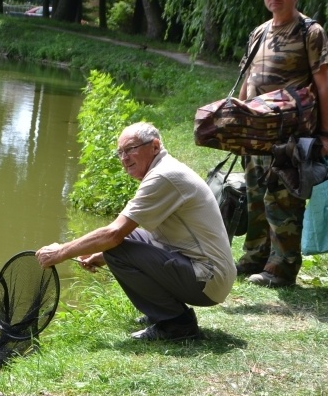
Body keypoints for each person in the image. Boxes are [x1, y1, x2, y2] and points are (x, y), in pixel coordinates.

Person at [36, 122, 236, 341]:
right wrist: (100, 256)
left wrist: (61, 252)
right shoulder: (162, 169)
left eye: (131, 149)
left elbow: (113, 234)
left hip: (208, 279)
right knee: (121, 241)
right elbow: (124, 232)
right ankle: (162, 312)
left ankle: (177, 324)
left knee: (116, 247)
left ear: (155, 146)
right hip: (207, 270)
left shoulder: (163, 176)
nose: (124, 158)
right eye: (120, 152)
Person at [235, 0, 328, 288]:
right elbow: (247, 79)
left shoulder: (310, 32)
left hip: (290, 134)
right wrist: (239, 124)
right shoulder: (259, 32)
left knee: (282, 199)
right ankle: (254, 256)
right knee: (255, 196)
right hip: (256, 134)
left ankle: (282, 268)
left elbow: (324, 87)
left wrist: (326, 134)